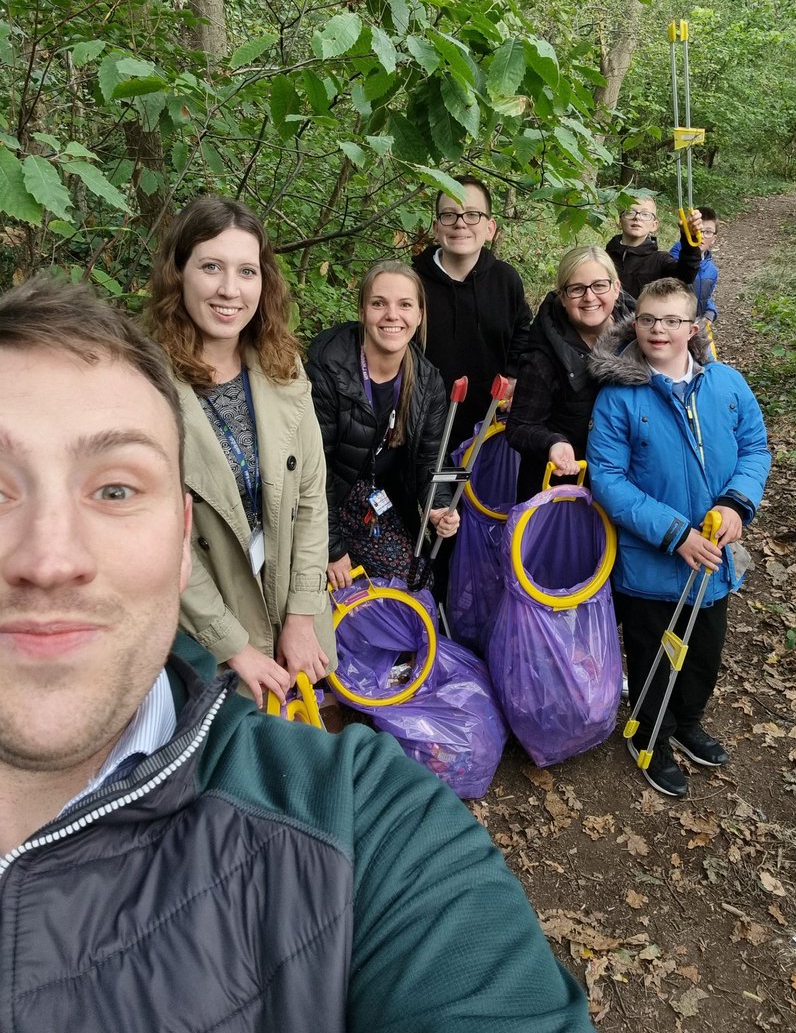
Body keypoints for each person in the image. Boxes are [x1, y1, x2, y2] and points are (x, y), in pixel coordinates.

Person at [0, 275, 593, 1031]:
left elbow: (353, 478)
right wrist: (307, 587)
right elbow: (330, 485)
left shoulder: (360, 826)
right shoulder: (327, 367)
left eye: (115, 490)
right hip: (311, 544)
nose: (50, 559)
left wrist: (427, 514)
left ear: (175, 536)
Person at [586, 278, 770, 798]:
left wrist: (736, 504)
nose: (658, 330)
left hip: (712, 562)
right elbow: (608, 481)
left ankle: (687, 724)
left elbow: (755, 447)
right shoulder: (619, 398)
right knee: (654, 657)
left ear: (694, 328)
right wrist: (674, 534)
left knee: (704, 654)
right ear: (635, 324)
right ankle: (652, 735)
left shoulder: (727, 384)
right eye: (648, 319)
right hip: (651, 566)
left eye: (671, 320)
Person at [146, 196, 333, 708]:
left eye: (246, 271)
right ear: (178, 273)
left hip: (292, 604)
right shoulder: (146, 389)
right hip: (209, 621)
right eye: (211, 267)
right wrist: (234, 647)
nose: (230, 289)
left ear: (263, 283)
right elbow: (158, 541)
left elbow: (312, 500)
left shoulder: (284, 368)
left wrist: (301, 614)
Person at [306, 261, 459, 590]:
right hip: (326, 501)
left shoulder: (427, 381)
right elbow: (312, 470)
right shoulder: (328, 371)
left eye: (405, 304)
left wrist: (438, 506)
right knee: (336, 589)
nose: (392, 315)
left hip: (380, 500)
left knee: (415, 582)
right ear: (362, 311)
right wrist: (332, 550)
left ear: (419, 314)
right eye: (379, 303)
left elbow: (430, 458)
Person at [413, 175, 532, 450]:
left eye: (472, 215)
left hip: (487, 428)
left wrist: (513, 377)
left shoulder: (506, 280)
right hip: (423, 428)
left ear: (490, 227)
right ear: (436, 227)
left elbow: (522, 331)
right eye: (449, 215)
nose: (460, 223)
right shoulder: (412, 283)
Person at [506, 245, 632, 502]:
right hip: (561, 492)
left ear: (616, 288)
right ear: (562, 297)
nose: (589, 297)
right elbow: (518, 427)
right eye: (577, 289)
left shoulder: (642, 338)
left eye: (599, 285)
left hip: (629, 486)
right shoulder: (543, 356)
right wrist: (552, 442)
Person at [605, 195, 702, 301]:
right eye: (630, 212)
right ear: (619, 221)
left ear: (654, 225)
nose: (637, 217)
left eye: (645, 214)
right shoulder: (604, 258)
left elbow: (685, 276)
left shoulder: (660, 261)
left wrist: (689, 237)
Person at [670, 205, 719, 323]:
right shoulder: (672, 261)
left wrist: (709, 313)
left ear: (714, 238)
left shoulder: (712, 270)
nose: (701, 236)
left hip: (697, 328)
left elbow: (706, 298)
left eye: (707, 232)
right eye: (698, 230)